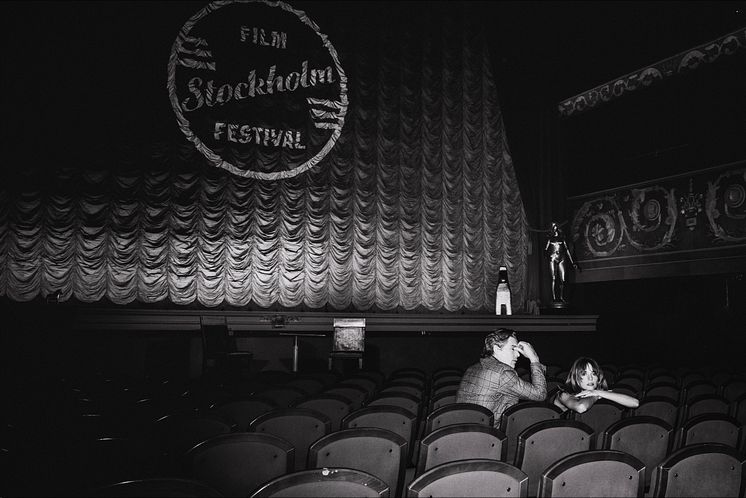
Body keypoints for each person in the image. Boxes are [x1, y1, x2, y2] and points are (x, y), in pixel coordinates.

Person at [456, 328, 547, 427]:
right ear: (496, 348)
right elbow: (540, 394)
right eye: (513, 349)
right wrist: (534, 358)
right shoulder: (503, 372)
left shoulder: (472, 368)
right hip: (487, 435)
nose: (518, 355)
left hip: (463, 431)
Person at [551, 357, 639, 413]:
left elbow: (635, 403)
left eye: (593, 373)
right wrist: (596, 395)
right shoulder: (563, 394)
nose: (590, 378)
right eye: (584, 374)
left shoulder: (599, 392)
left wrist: (598, 392)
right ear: (575, 378)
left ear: (598, 377)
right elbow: (581, 407)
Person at [545, 221, 578, 302]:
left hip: (561, 258)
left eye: (556, 226)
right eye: (553, 226)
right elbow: (545, 249)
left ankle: (561, 297)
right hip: (553, 258)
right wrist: (548, 256)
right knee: (553, 278)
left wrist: (572, 262)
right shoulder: (550, 238)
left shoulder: (562, 238)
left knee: (562, 279)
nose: (555, 228)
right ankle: (554, 298)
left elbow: (567, 250)